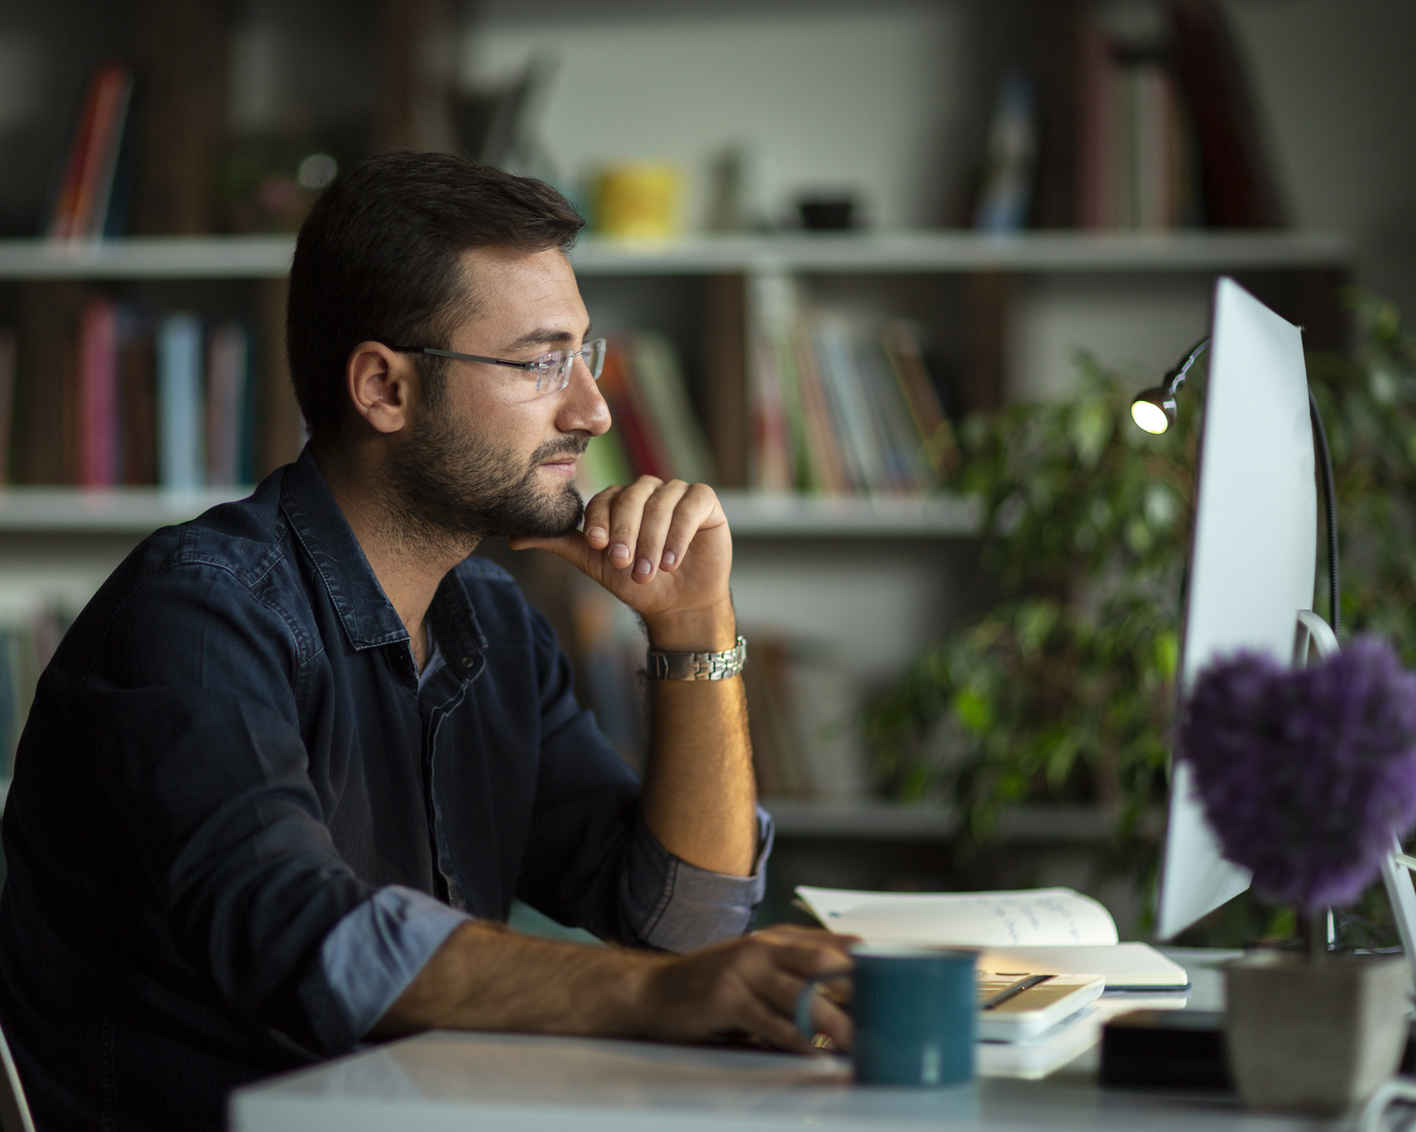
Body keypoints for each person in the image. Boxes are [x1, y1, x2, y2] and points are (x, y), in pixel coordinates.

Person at [0, 152, 853, 1131]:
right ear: (384, 388)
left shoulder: (489, 621)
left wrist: (695, 624)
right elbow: (301, 931)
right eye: (541, 362)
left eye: (587, 354)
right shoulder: (197, 614)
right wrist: (660, 997)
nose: (594, 409)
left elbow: (681, 922)